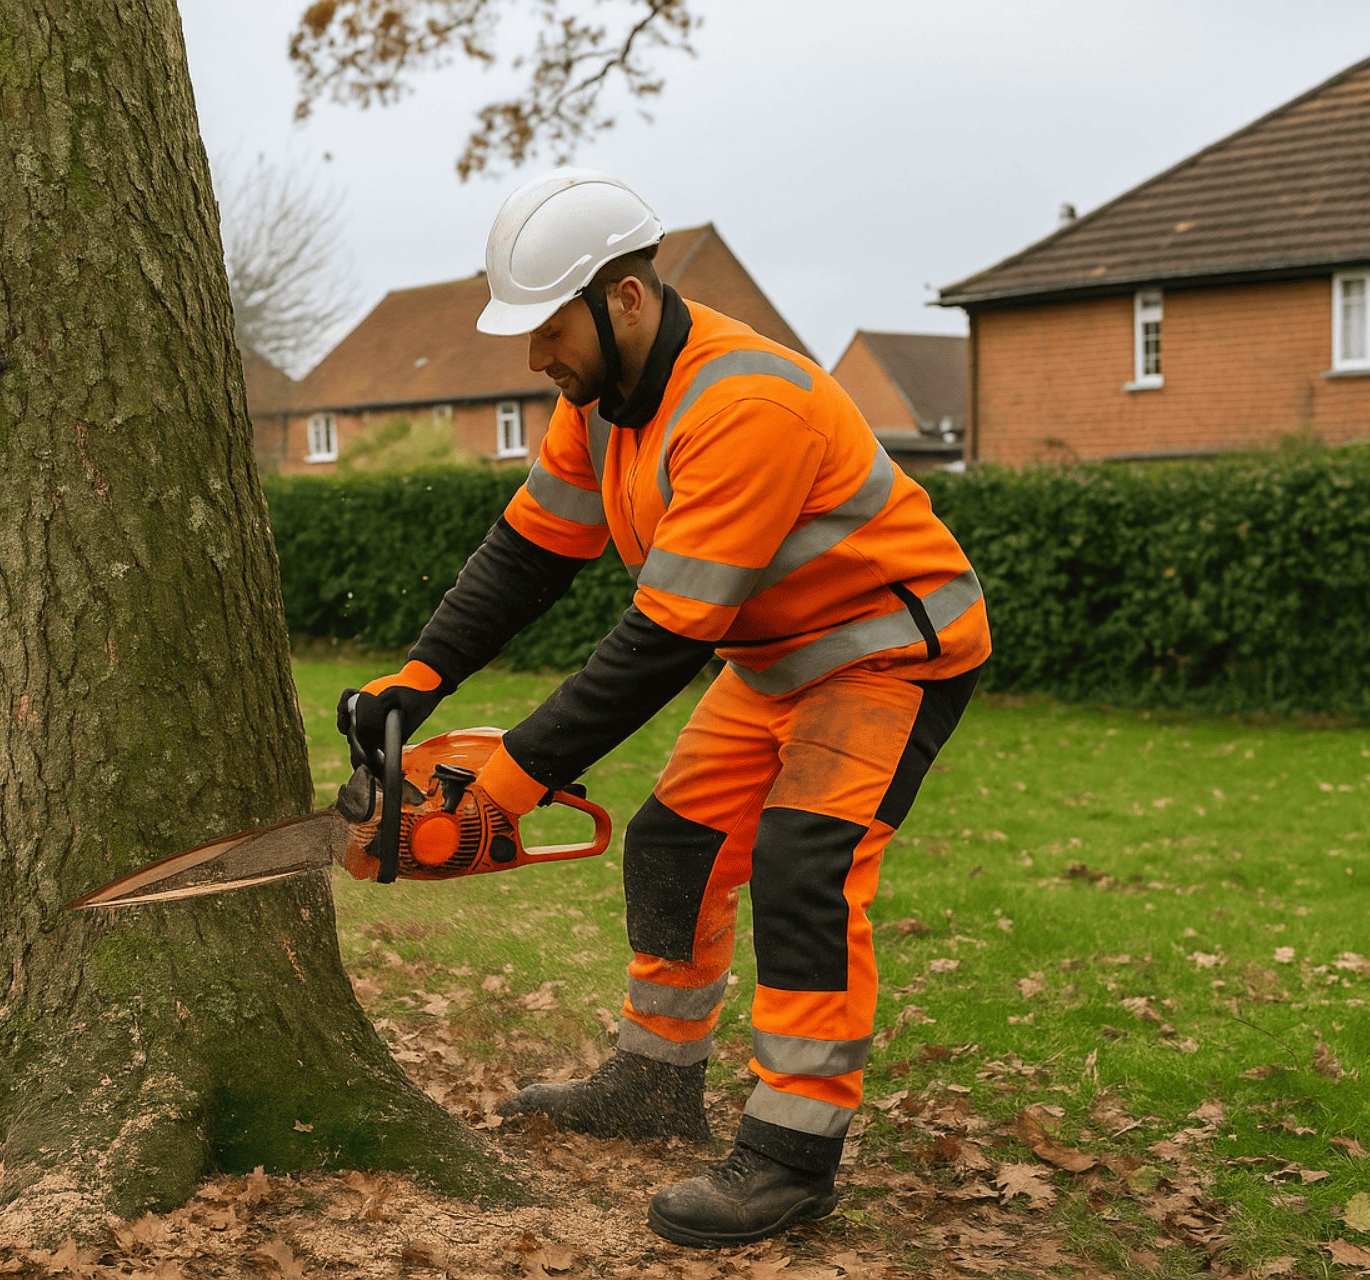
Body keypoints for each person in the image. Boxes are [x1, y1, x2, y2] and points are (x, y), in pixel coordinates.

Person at [338, 168, 992, 1248]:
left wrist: (504, 784)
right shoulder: (597, 405)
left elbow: (659, 641)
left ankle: (791, 1154)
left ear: (624, 299)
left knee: (802, 864)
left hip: (887, 655)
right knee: (673, 841)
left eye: (549, 330)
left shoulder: (746, 403)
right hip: (775, 658)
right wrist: (420, 677)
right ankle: (655, 1077)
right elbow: (528, 550)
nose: (536, 357)